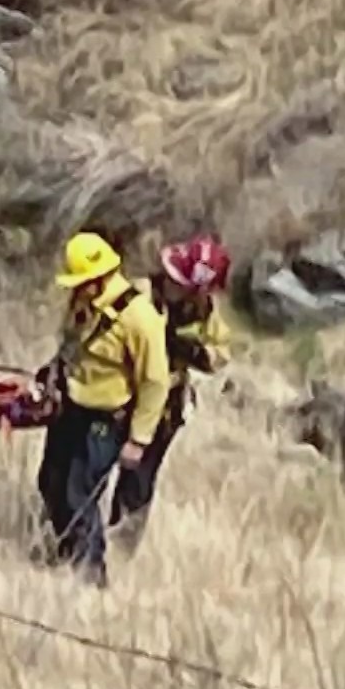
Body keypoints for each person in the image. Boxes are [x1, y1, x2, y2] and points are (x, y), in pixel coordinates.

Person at [34, 232, 171, 588]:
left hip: (107, 420)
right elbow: (72, 345)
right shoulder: (83, 304)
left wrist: (139, 439)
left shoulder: (139, 317)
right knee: (50, 481)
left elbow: (155, 381)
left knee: (81, 493)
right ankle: (65, 550)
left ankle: (90, 574)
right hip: (71, 410)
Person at [106, 235, 233, 552]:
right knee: (90, 469)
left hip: (166, 406)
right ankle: (74, 540)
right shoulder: (140, 293)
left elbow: (222, 349)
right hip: (120, 395)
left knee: (139, 481)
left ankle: (122, 548)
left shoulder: (204, 310)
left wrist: (200, 355)